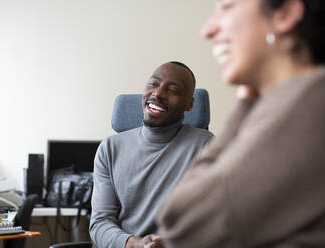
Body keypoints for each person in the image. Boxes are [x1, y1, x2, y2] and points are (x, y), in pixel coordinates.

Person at [157, 0, 325, 247]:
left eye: (226, 6)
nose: (208, 29)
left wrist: (243, 105)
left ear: (285, 14)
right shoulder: (294, 102)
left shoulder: (307, 104)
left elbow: (182, 226)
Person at [89, 62, 214, 248]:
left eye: (172, 90)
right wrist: (133, 244)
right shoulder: (110, 148)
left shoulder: (205, 147)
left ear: (189, 104)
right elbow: (100, 224)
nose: (158, 93)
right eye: (153, 84)